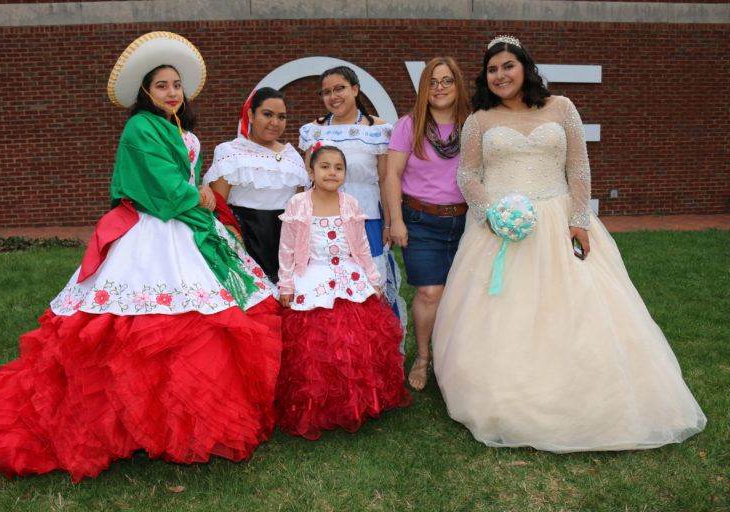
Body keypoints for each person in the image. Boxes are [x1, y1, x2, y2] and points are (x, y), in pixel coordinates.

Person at [0, 32, 282, 482]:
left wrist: (203, 192)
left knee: (207, 318)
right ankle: (133, 421)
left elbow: (184, 177)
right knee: (143, 325)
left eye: (176, 85)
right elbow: (159, 186)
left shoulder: (179, 128)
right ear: (146, 93)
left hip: (188, 225)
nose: (172, 92)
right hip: (154, 227)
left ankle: (184, 416)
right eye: (162, 86)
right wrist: (199, 195)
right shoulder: (139, 128)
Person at [433, 35, 706, 452]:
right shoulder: (480, 120)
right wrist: (491, 212)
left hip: (561, 222)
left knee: (580, 304)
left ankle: (589, 389)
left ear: (524, 67)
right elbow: (467, 176)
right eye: (492, 69)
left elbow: (578, 166)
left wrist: (579, 221)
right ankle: (504, 392)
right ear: (485, 78)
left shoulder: (561, 108)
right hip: (500, 228)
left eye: (508, 66)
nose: (501, 75)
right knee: (504, 310)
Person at [274, 143, 410, 440]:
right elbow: (286, 248)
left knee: (356, 344)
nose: (332, 172)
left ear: (345, 174)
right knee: (316, 345)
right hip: (313, 276)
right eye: (325, 166)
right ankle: (316, 406)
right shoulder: (298, 204)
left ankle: (360, 402)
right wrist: (287, 283)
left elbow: (361, 246)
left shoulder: (349, 204)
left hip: (350, 277)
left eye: (338, 168)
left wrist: (373, 278)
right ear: (311, 171)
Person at [298, 66, 406, 337]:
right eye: (326, 92)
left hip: (367, 218)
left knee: (370, 285)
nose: (333, 96)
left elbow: (385, 179)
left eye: (339, 88)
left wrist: (389, 223)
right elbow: (306, 180)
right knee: (329, 285)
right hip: (322, 221)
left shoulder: (378, 129)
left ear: (355, 90)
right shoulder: (315, 130)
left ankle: (376, 348)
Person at [385, 57, 471, 390]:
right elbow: (392, 175)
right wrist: (396, 222)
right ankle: (423, 357)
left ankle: (455, 357)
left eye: (447, 80)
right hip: (420, 219)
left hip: (467, 222)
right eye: (433, 82)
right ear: (424, 88)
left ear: (458, 84)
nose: (440, 88)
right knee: (430, 292)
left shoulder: (472, 124)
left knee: (463, 294)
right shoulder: (410, 125)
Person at [203, 87, 308, 283]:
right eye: (267, 114)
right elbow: (218, 207)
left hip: (285, 243)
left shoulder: (292, 157)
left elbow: (300, 207)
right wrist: (234, 243)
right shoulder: (230, 152)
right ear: (251, 114)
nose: (274, 122)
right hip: (243, 237)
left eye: (281, 117)